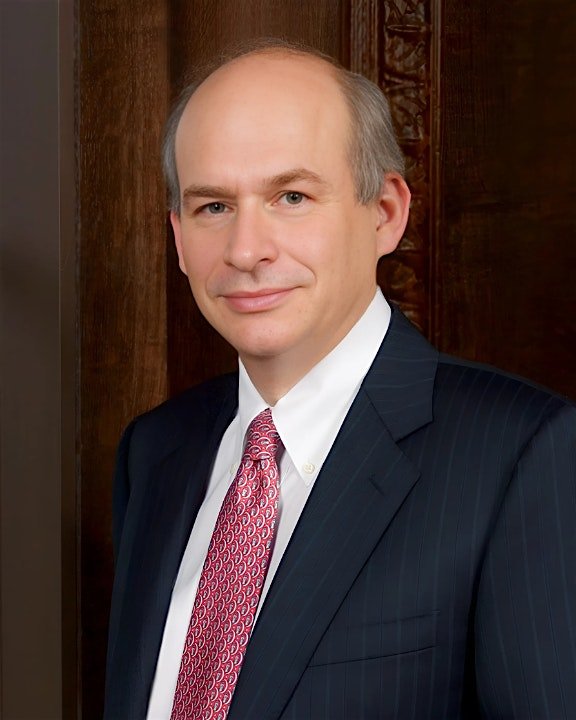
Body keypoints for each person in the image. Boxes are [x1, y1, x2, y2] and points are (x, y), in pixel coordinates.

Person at [104, 40, 576, 720]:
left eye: (291, 196)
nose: (246, 250)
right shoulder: (155, 452)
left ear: (385, 212)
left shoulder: (519, 454)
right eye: (214, 207)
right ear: (178, 238)